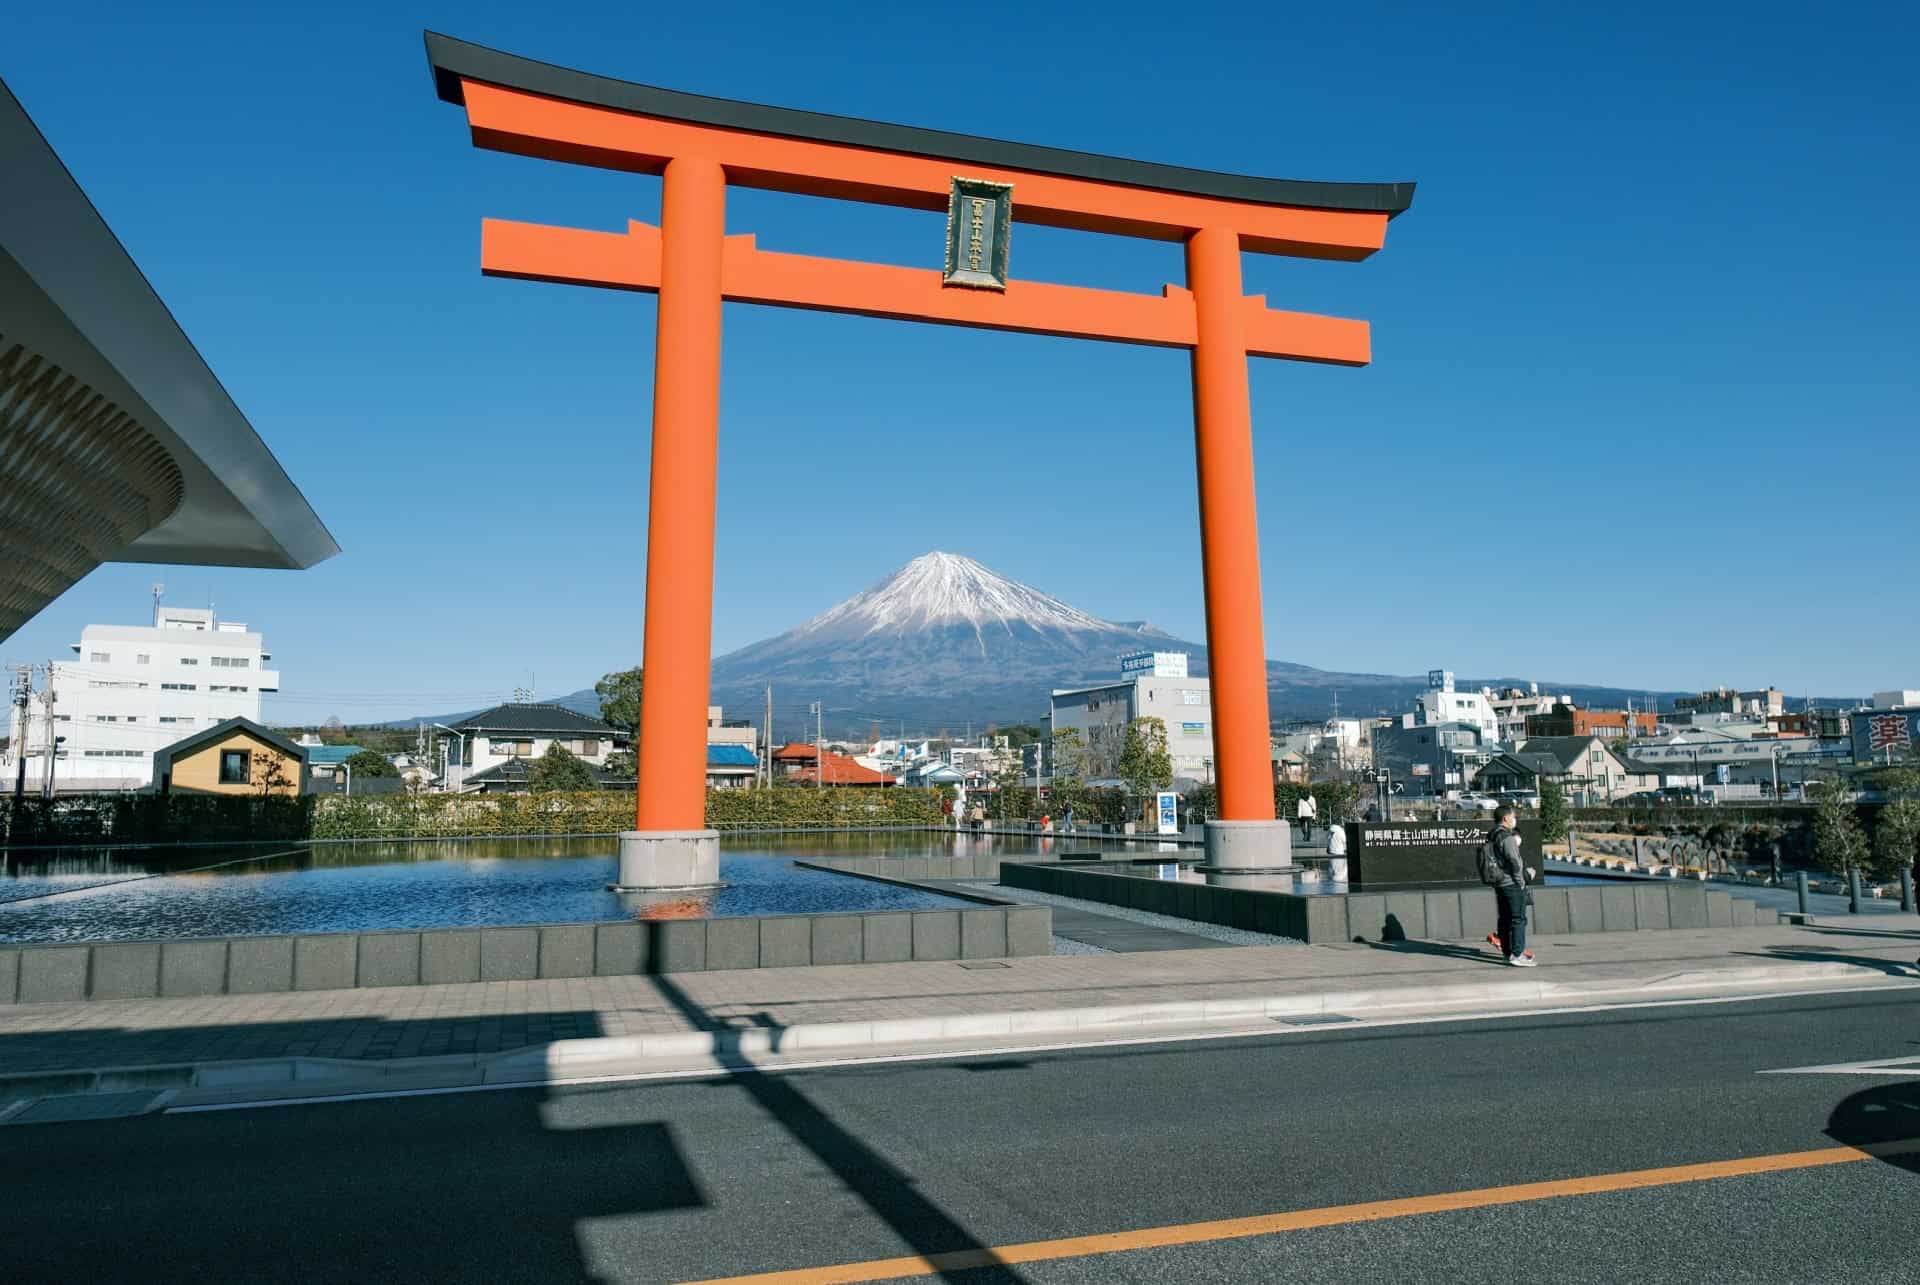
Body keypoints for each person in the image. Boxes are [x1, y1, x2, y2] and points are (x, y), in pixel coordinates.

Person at [1481, 805, 1536, 966]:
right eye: (1513, 816)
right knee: (1518, 919)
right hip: (1511, 883)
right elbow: (1515, 862)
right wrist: (1522, 880)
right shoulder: (1507, 837)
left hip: (1499, 883)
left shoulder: (1492, 835)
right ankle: (1517, 954)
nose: (1515, 819)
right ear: (1506, 818)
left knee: (1504, 919)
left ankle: (1507, 953)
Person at [1325, 816, 1348, 884]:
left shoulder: (1330, 830)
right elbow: (1345, 840)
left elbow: (1327, 838)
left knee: (1332, 864)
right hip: (1339, 852)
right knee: (1339, 864)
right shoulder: (1340, 831)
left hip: (1331, 851)